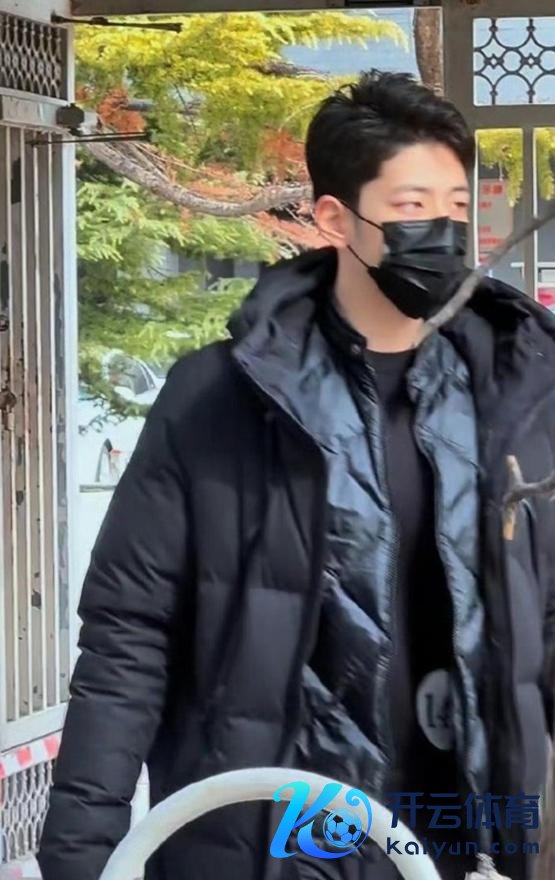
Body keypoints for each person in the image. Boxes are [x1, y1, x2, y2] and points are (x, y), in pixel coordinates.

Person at [37, 70, 555, 880]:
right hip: (267, 839)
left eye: (457, 207)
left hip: (464, 838)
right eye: (412, 206)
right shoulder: (222, 397)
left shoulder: (515, 394)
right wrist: (82, 856)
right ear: (334, 218)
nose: (445, 231)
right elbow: (129, 635)